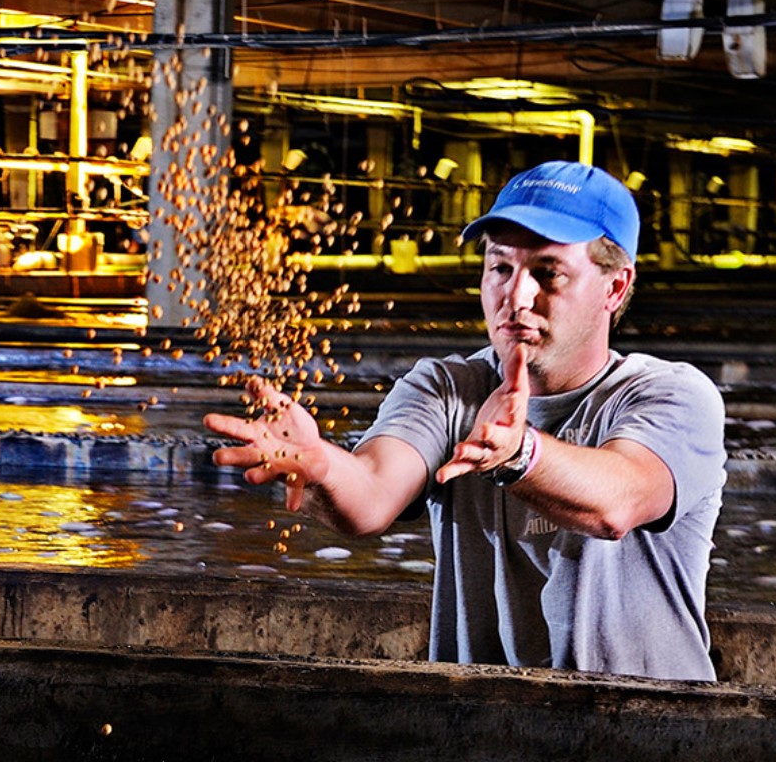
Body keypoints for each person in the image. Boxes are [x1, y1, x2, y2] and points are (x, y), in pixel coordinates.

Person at [205, 161, 727, 681]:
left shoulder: (672, 395)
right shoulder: (448, 389)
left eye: (549, 273)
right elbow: (370, 495)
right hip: (484, 723)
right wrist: (321, 469)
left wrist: (519, 454)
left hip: (648, 727)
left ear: (615, 288)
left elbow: (619, 500)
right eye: (501, 268)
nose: (516, 298)